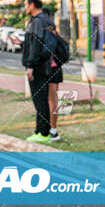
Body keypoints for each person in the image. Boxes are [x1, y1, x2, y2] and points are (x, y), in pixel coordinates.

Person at [22, 0, 52, 143]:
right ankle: (40, 131)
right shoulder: (46, 20)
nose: (25, 8)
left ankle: (43, 133)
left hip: (38, 68)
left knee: (40, 101)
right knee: (42, 100)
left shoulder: (37, 22)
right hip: (46, 66)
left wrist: (30, 66)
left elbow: (35, 45)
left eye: (26, 5)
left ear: (32, 5)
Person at [42, 7, 63, 141]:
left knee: (48, 101)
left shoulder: (43, 31)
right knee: (54, 100)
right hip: (57, 68)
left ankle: (48, 131)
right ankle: (53, 129)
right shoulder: (55, 31)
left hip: (47, 69)